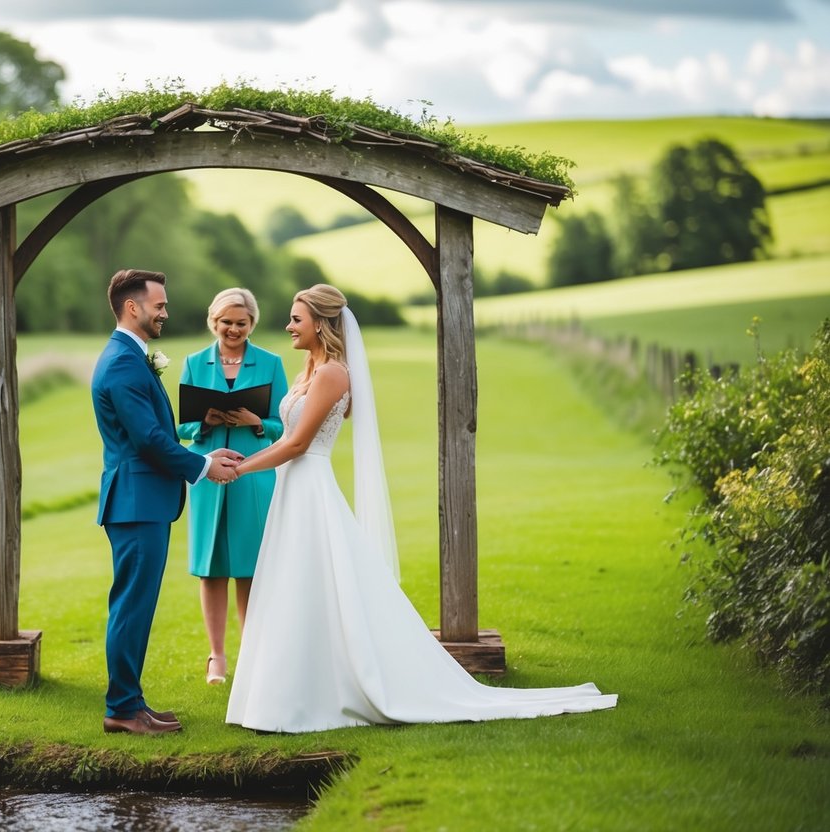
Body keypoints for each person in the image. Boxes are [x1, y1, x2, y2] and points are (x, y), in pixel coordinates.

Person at [225, 284, 618, 733]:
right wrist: (246, 460)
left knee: (311, 582)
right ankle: (286, 694)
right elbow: (284, 439)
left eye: (297, 318)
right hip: (292, 488)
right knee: (295, 584)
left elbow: (297, 444)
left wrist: (239, 470)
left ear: (321, 322)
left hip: (310, 484)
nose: (289, 326)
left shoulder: (334, 373)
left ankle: (306, 699)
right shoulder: (309, 371)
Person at [91, 268, 242, 736]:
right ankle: (122, 708)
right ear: (132, 307)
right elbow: (149, 440)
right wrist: (202, 469)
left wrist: (202, 452)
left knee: (136, 604)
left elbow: (155, 437)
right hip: (136, 502)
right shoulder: (122, 362)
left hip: (144, 500)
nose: (165, 313)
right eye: (159, 305)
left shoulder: (131, 358)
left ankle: (131, 701)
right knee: (131, 606)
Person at [177, 288, 289, 686]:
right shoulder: (193, 363)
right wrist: (204, 421)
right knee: (210, 568)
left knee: (249, 567)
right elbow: (181, 426)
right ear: (214, 321)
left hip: (253, 474)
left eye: (241, 323)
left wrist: (255, 423)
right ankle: (217, 657)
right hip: (207, 474)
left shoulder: (272, 364)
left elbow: (284, 423)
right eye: (227, 322)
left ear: (252, 324)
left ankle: (252, 655)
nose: (233, 329)